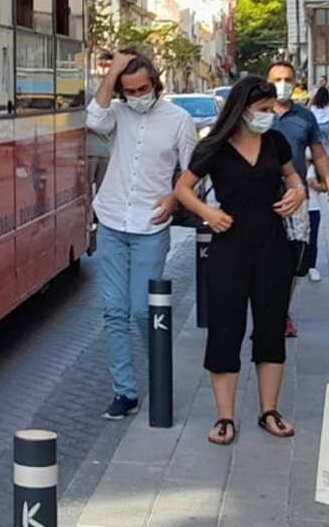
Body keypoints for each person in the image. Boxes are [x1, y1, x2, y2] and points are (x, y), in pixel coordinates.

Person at [175, 75, 305, 445]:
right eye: (263, 110)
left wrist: (296, 193)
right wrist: (208, 213)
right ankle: (225, 417)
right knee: (225, 330)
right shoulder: (214, 146)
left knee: (270, 327)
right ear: (243, 109)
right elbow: (183, 189)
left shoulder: (275, 142)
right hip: (228, 246)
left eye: (271, 109)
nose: (269, 116)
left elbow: (295, 180)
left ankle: (269, 411)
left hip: (272, 244)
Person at [88, 49, 197, 420]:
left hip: (151, 225)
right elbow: (93, 117)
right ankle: (125, 392)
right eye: (129, 91)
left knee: (141, 309)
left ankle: (159, 377)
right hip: (112, 219)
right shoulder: (116, 115)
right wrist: (113, 71)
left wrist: (172, 197)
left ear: (155, 83)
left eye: (142, 88)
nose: (137, 96)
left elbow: (194, 171)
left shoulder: (179, 120)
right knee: (113, 311)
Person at [265, 62, 329, 327]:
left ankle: (282, 313)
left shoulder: (304, 116)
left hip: (296, 198)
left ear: (295, 82)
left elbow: (318, 153)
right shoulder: (256, 113)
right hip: (261, 198)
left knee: (294, 260)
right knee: (263, 259)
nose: (282, 84)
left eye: (287, 78)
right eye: (276, 79)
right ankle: (267, 311)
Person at [310, 86, 329, 152]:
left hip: (316, 126)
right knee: (328, 144)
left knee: (317, 145)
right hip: (326, 126)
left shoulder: (313, 107)